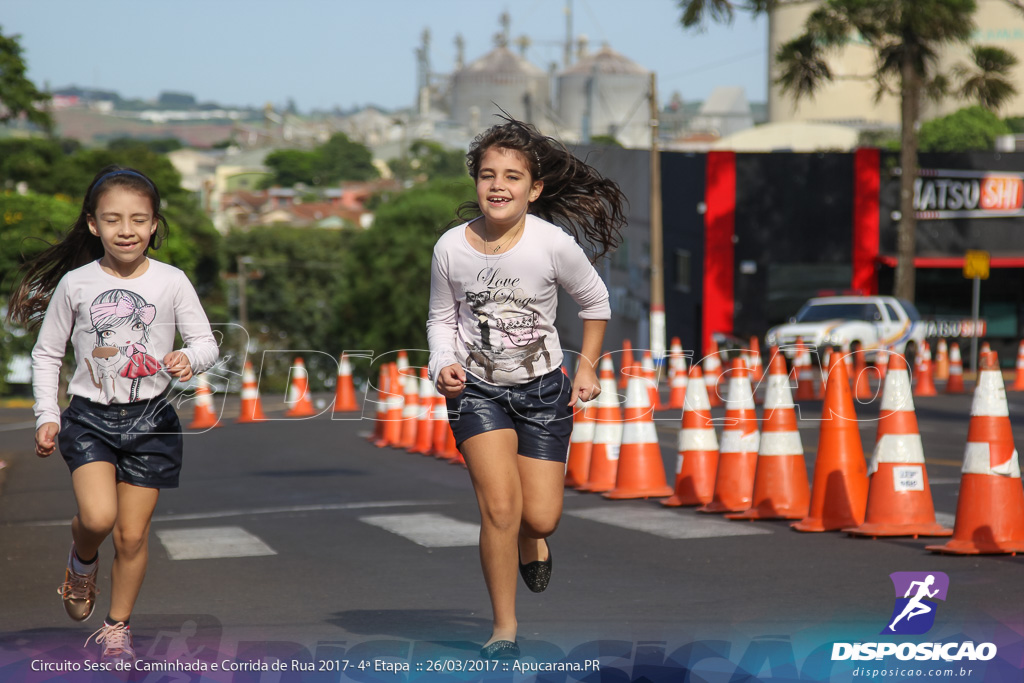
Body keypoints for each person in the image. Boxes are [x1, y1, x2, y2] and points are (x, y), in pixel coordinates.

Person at [426, 118, 625, 659]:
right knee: (498, 509)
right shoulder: (451, 248)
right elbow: (441, 320)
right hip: (477, 393)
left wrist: (585, 368)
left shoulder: (552, 244)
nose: (498, 185)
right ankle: (504, 628)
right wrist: (441, 363)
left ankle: (531, 540)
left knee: (539, 517)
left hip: (543, 391)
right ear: (475, 184)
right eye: (487, 174)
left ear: (533, 190)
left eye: (512, 177)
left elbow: (596, 302)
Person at [6, 166, 219, 664]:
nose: (127, 229)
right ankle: (82, 560)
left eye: (139, 220)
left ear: (154, 226)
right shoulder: (76, 285)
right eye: (114, 219)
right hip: (90, 420)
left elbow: (206, 342)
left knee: (132, 533)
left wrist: (190, 360)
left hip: (153, 421)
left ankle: (117, 627)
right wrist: (46, 415)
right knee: (99, 518)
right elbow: (47, 354)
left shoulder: (172, 281)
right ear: (93, 225)